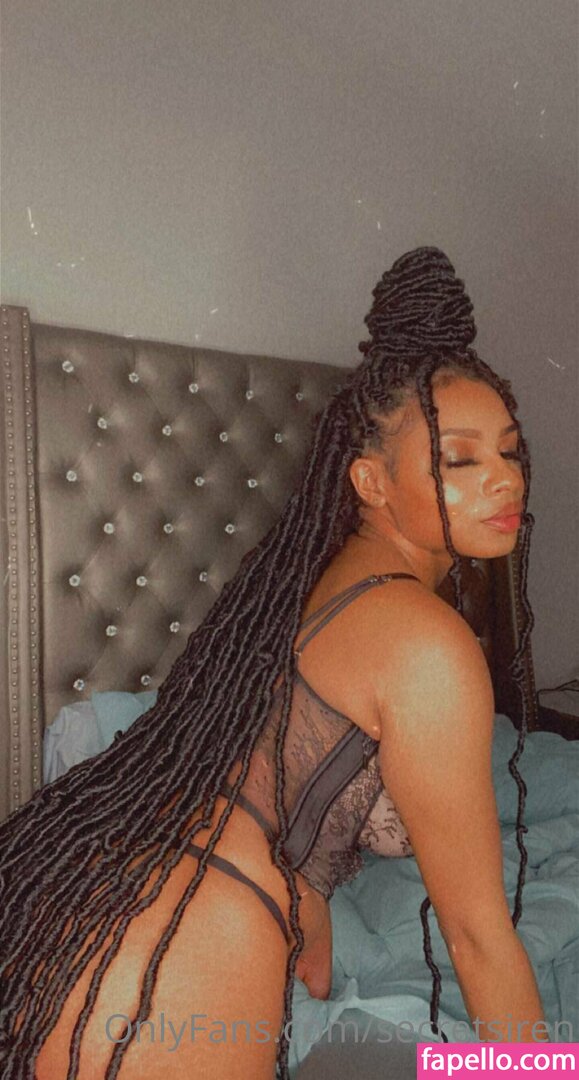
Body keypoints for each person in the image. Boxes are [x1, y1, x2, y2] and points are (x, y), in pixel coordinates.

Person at [0, 247, 543, 1080]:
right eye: (459, 459)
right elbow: (477, 938)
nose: (503, 481)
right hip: (182, 962)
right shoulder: (428, 644)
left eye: (509, 452)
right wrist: (542, 1069)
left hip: (83, 895)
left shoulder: (317, 578)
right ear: (370, 481)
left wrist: (308, 901)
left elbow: (283, 765)